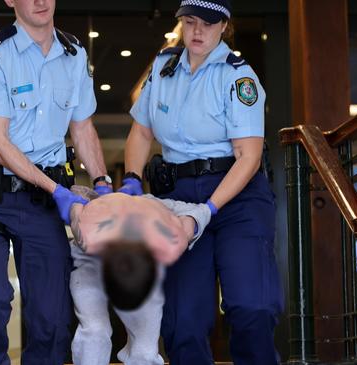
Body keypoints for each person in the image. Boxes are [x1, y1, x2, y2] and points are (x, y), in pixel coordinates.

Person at [120, 0, 284, 364]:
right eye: (190, 22)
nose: (197, 31)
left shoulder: (238, 77)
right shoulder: (163, 69)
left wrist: (207, 211)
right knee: (183, 323)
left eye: (208, 24)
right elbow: (142, 133)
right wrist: (132, 180)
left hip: (235, 198)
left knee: (251, 308)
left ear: (224, 25)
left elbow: (249, 157)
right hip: (176, 198)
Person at [0, 0, 113, 363]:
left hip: (41, 204)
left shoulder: (73, 55)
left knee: (52, 318)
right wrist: (57, 189)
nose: (41, 2)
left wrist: (103, 183)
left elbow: (82, 127)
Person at [66, 187, 211, 365]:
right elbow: (76, 195)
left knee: (146, 351)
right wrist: (79, 205)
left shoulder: (164, 223)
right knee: (95, 330)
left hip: (142, 252)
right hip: (89, 262)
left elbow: (202, 209)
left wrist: (193, 221)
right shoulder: (89, 228)